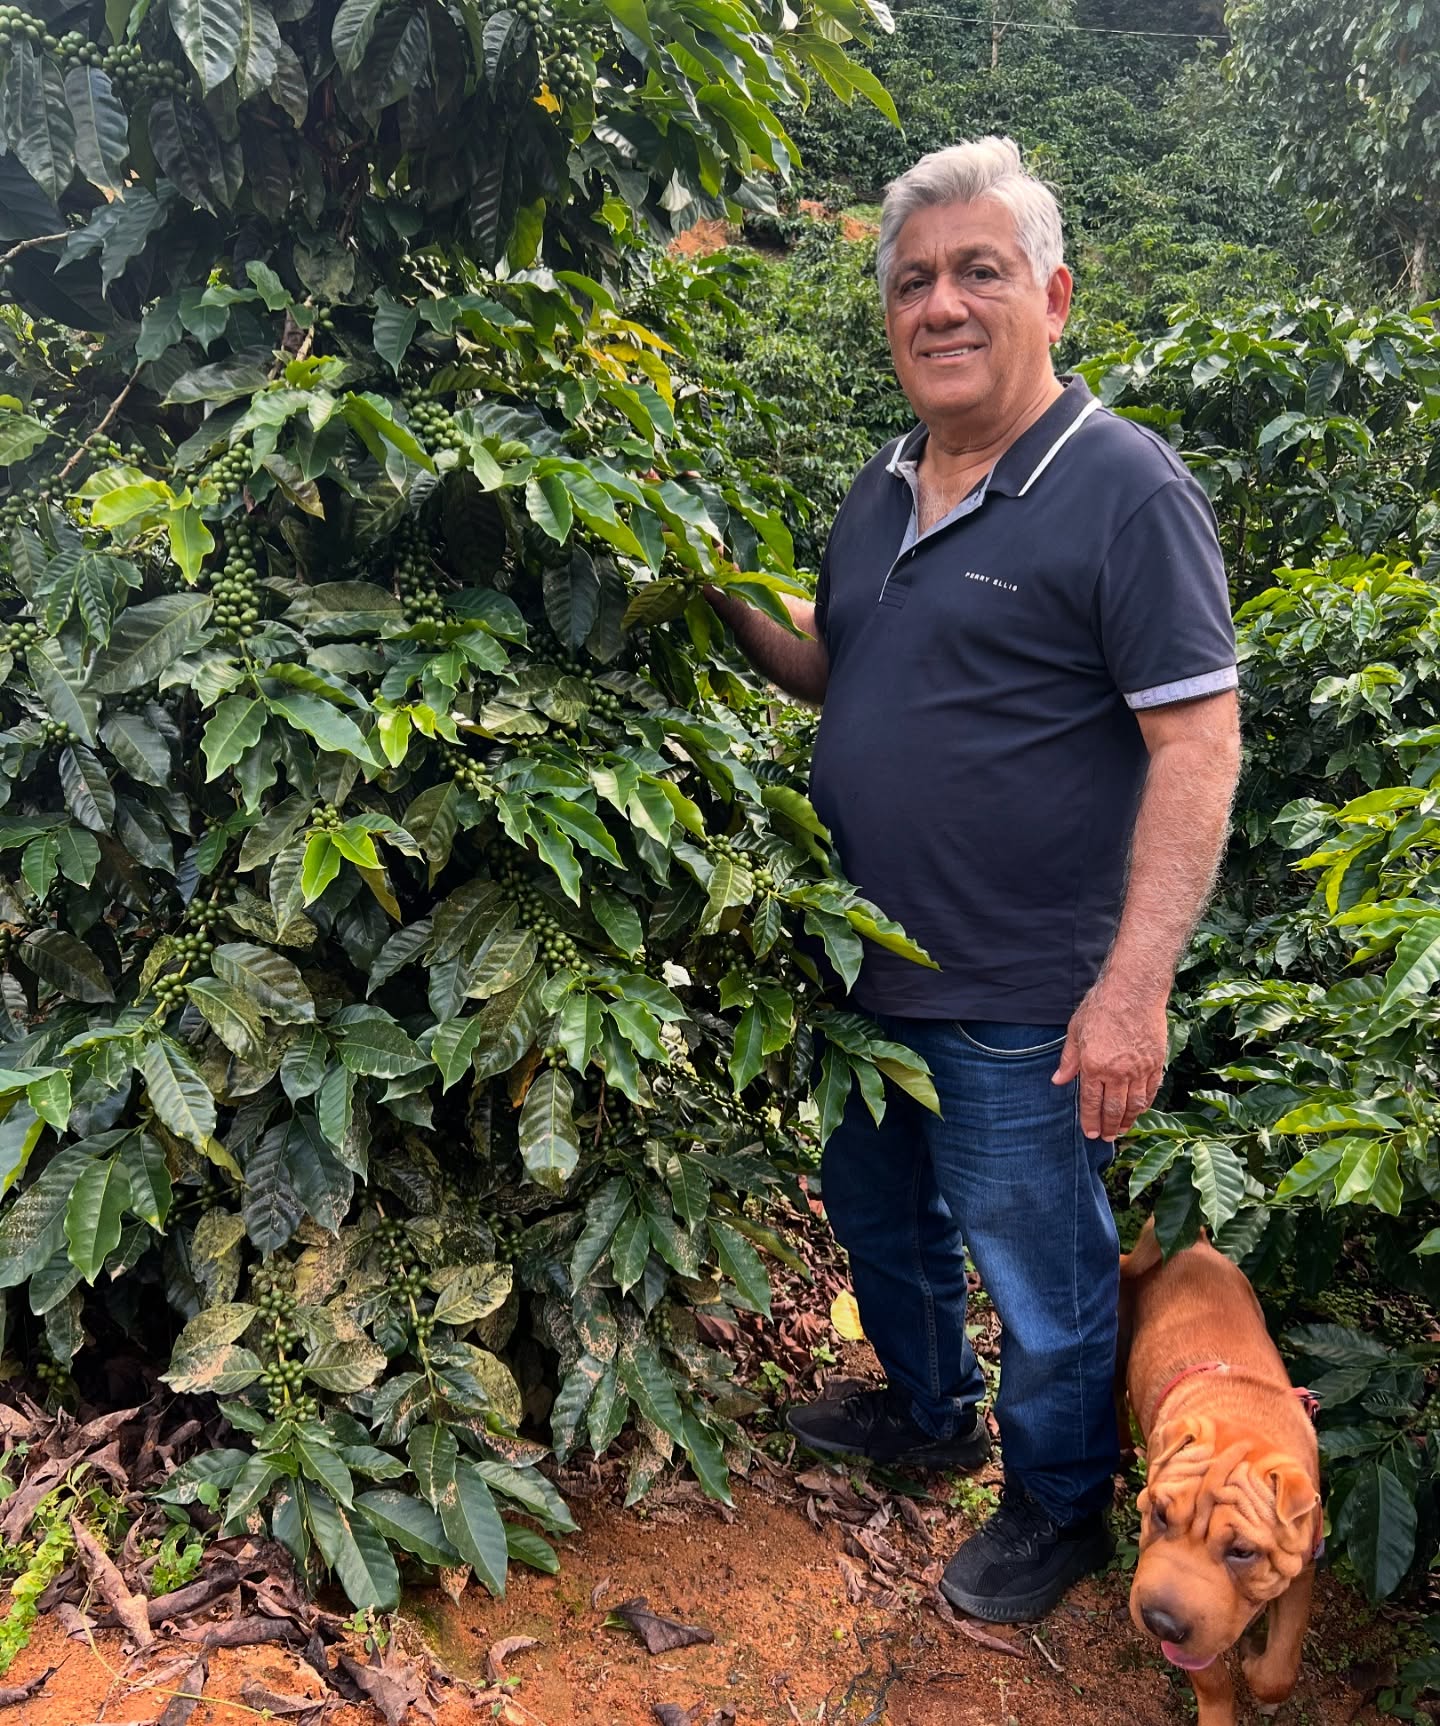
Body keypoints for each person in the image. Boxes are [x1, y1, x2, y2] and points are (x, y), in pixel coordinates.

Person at [705, 136, 1242, 1625]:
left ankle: (1060, 1508)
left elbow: (1197, 740)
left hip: (1024, 987)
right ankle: (926, 1408)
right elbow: (843, 668)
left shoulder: (1125, 489)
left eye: (980, 272)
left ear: (1053, 294)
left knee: (1046, 1277)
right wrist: (714, 585)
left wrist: (1134, 987)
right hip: (865, 967)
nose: (942, 304)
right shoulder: (879, 488)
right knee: (881, 1222)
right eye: (914, 280)